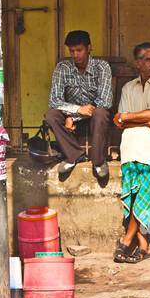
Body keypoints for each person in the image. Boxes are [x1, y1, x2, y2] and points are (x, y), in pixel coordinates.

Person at [113, 42, 150, 263]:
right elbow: (120, 123)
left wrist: (128, 116)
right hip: (130, 148)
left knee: (145, 194)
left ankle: (127, 239)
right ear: (138, 63)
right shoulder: (129, 88)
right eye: (148, 59)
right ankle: (144, 246)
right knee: (134, 195)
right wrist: (148, 122)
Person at [44, 29, 114, 183]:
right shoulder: (63, 68)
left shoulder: (102, 67)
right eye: (72, 51)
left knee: (101, 113)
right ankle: (74, 155)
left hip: (95, 117)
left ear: (89, 48)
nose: (75, 55)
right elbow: (54, 100)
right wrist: (74, 113)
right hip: (72, 114)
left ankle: (98, 161)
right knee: (51, 115)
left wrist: (73, 117)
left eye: (79, 50)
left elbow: (105, 100)